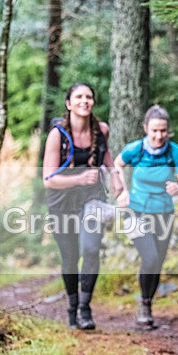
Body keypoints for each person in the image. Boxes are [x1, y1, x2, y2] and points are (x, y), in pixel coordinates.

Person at [42, 83, 123, 331]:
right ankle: (72, 308)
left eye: (89, 96)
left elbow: (106, 155)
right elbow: (48, 179)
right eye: (78, 97)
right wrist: (78, 178)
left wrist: (115, 174)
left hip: (92, 199)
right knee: (70, 257)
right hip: (62, 202)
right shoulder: (57, 135)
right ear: (69, 103)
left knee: (90, 249)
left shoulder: (101, 129)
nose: (84, 101)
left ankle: (85, 307)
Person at [114, 104, 178, 327]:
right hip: (135, 211)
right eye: (155, 130)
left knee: (157, 261)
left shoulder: (175, 151)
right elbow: (116, 166)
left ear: (168, 131)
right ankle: (144, 305)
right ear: (145, 128)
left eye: (163, 131)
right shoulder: (135, 149)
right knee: (150, 258)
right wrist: (122, 190)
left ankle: (147, 303)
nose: (159, 135)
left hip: (164, 212)